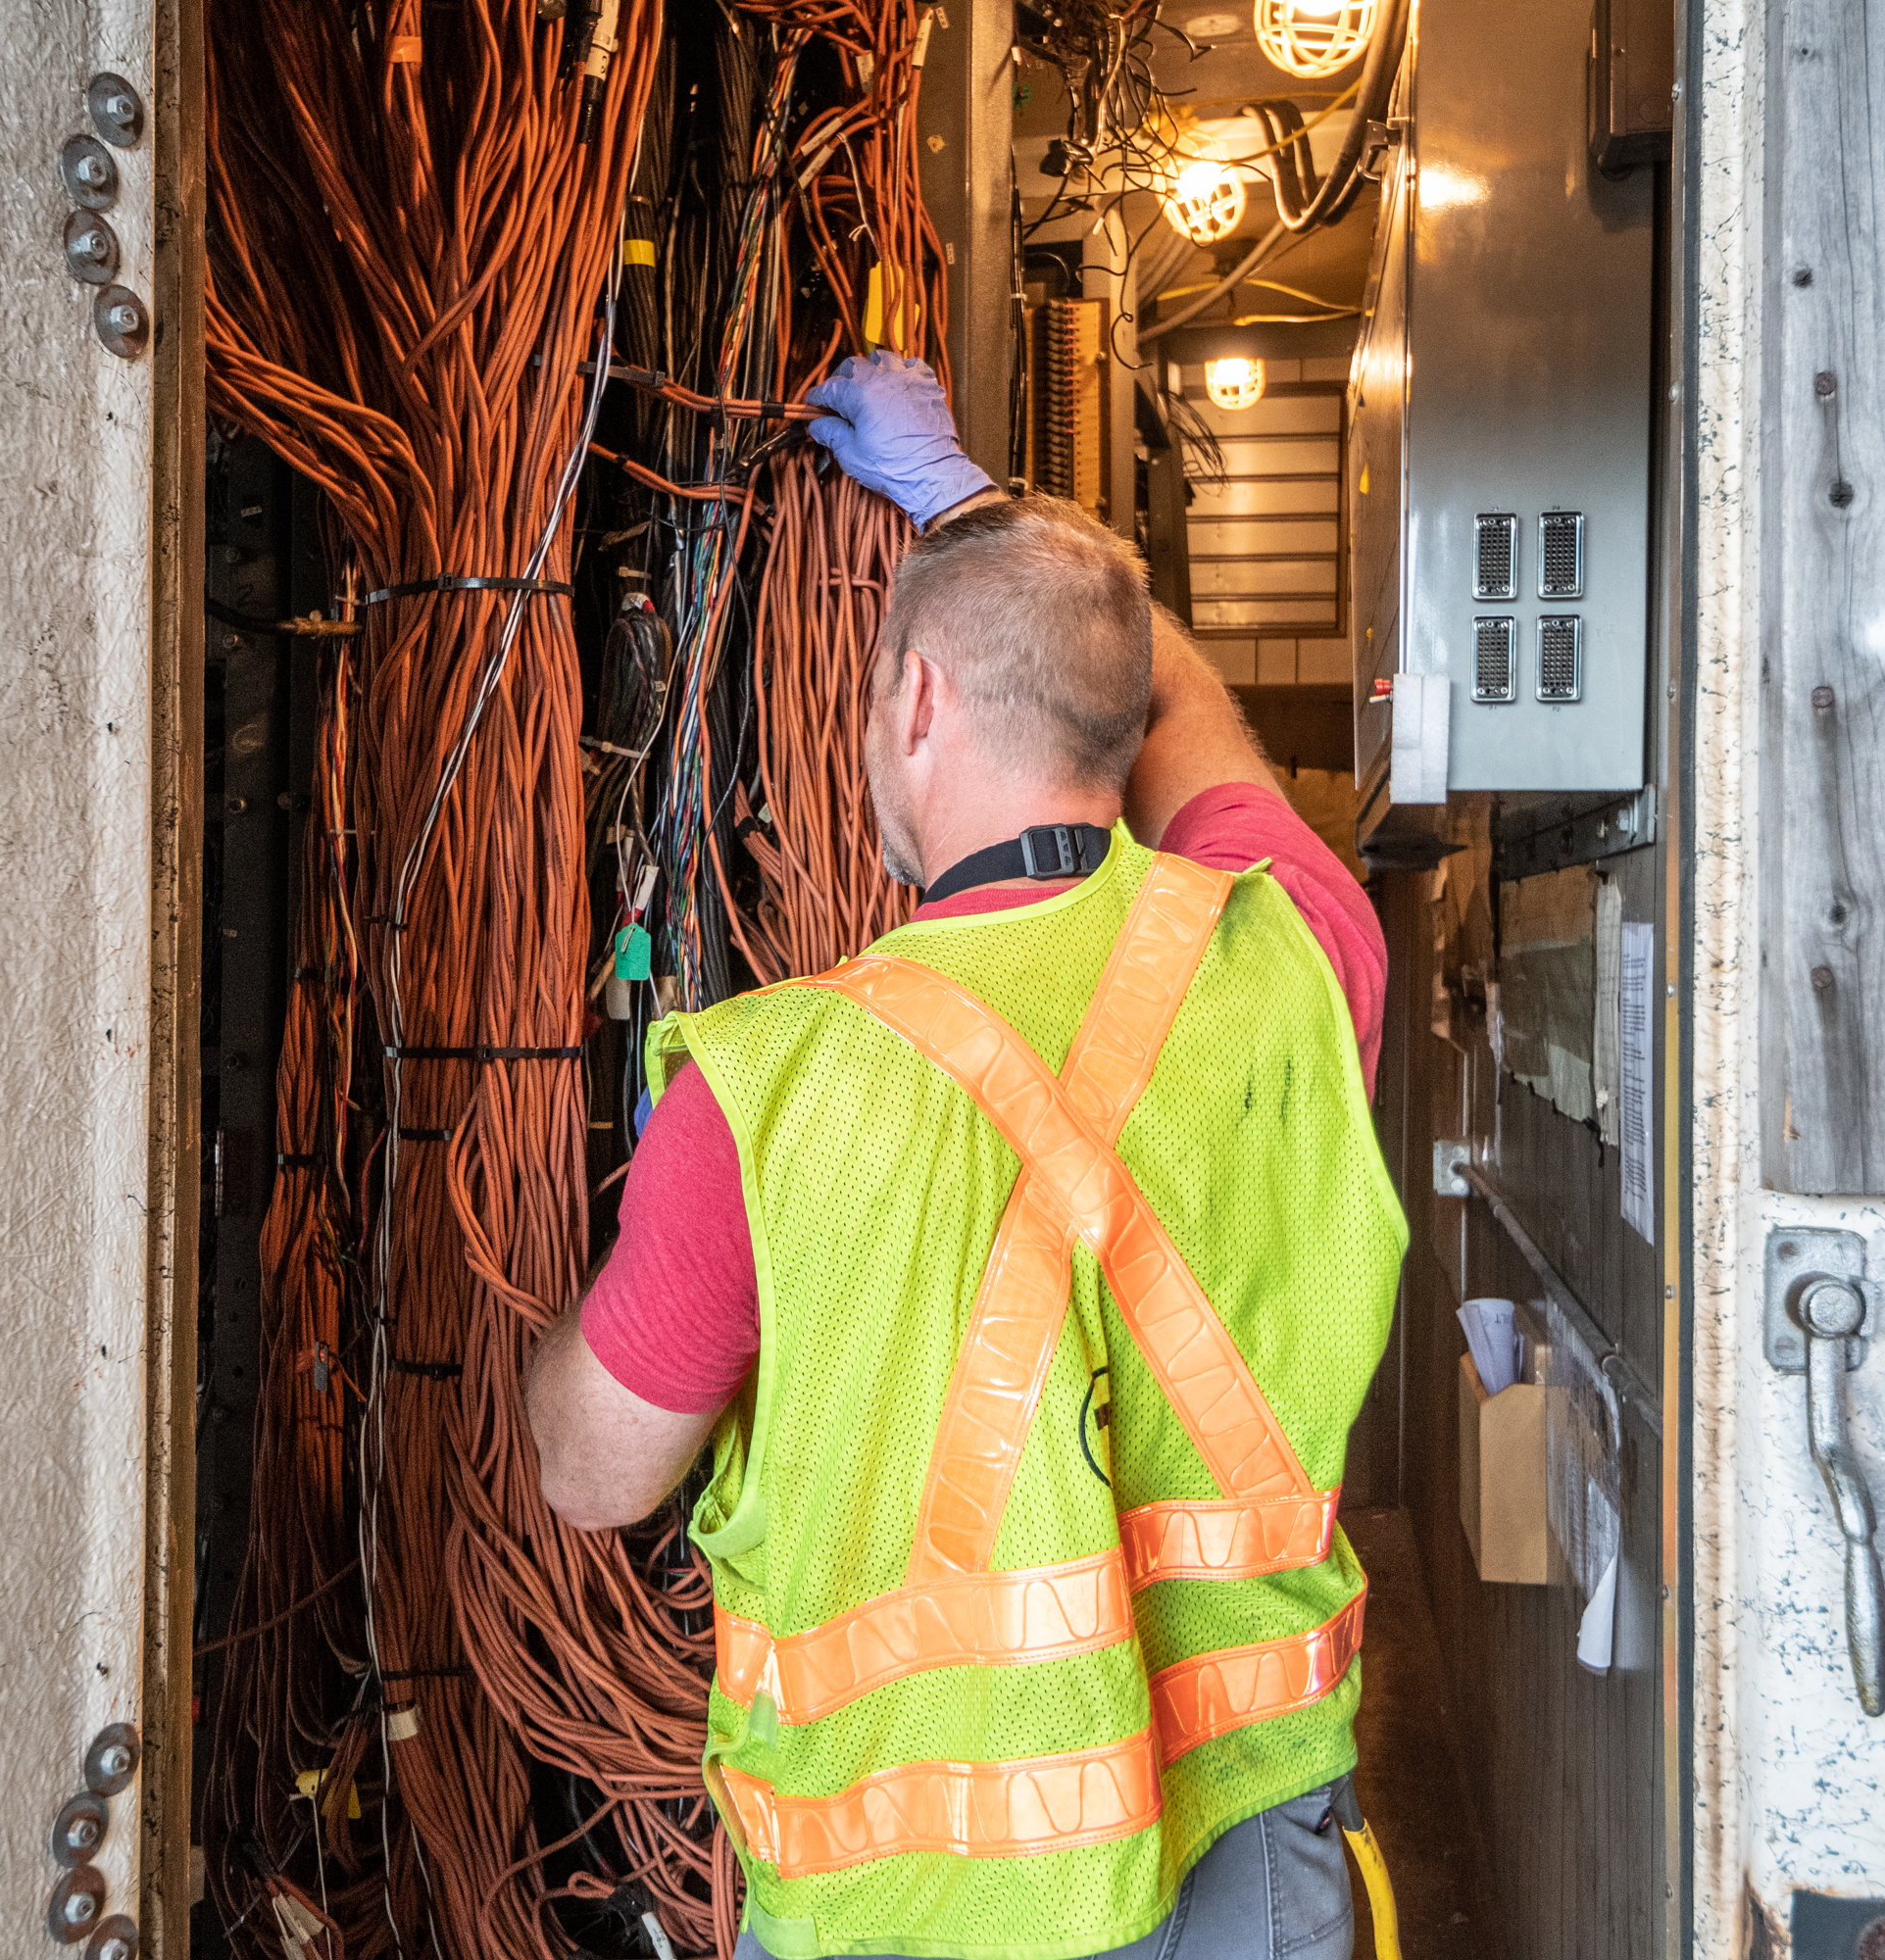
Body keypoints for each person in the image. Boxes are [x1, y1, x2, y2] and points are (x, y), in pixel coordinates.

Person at [525, 353, 1407, 1960]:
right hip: (1248, 1862)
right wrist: (980, 511)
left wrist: (571, 1331)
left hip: (911, 1905)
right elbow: (1181, 708)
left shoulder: (767, 1095)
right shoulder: (1303, 956)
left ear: (917, 701)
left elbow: (591, 1476)